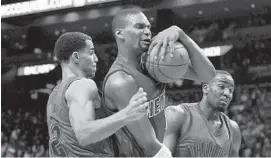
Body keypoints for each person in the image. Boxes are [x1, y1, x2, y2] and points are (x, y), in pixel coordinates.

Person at [102, 8, 216, 157]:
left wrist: (181, 33)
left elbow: (208, 75)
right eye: (139, 27)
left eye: (148, 27)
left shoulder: (154, 62)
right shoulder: (121, 82)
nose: (147, 31)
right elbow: (150, 145)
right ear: (120, 33)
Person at [46, 32, 149, 157]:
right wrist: (127, 114)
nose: (96, 58)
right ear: (76, 57)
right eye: (91, 52)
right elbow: (84, 134)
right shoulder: (82, 85)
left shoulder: (53, 96)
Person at [163, 70, 242, 157]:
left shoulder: (233, 128)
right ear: (205, 88)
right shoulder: (178, 115)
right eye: (221, 87)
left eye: (231, 90)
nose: (227, 93)